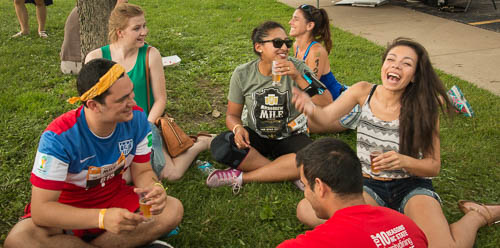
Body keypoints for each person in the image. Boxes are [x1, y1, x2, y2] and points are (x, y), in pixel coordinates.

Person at [292, 37, 500, 247]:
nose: (396, 66)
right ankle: (397, 222)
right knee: (306, 210)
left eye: (406, 63)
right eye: (391, 59)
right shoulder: (363, 92)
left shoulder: (424, 107)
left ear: (415, 76)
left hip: (411, 187)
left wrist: (403, 161)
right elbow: (326, 118)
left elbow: (433, 166)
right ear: (383, 65)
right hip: (367, 185)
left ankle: (478, 215)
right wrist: (311, 109)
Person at [4, 59, 183, 248]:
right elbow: (42, 210)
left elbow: (143, 172)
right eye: (123, 99)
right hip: (67, 211)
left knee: (172, 209)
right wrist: (102, 218)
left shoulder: (136, 119)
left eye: (131, 93)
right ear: (93, 105)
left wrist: (154, 189)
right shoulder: (58, 138)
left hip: (114, 199)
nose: (133, 102)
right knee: (19, 240)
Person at [85, 3, 212, 181]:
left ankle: (200, 144)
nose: (144, 31)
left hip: (146, 124)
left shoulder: (150, 55)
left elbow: (160, 100)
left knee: (169, 174)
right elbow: (91, 105)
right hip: (111, 128)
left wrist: (145, 127)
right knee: (123, 177)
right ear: (120, 32)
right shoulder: (95, 58)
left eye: (144, 25)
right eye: (137, 28)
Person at [206, 21, 332, 193]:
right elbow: (232, 115)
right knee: (222, 144)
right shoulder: (243, 73)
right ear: (259, 47)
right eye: (277, 43)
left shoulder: (298, 67)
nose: (285, 48)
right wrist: (237, 129)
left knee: (317, 158)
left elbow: (326, 101)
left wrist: (297, 76)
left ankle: (244, 176)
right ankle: (286, 171)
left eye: (287, 43)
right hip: (255, 135)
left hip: (291, 135)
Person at [278, 138, 428, 247]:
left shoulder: (313, 243)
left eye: (305, 186)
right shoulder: (407, 227)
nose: (306, 194)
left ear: (319, 187)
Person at [289, 4, 361, 133]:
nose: (290, 22)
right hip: (324, 104)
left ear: (309, 26)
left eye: (296, 19)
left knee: (299, 125)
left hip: (342, 106)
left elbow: (313, 90)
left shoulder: (316, 52)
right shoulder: (296, 46)